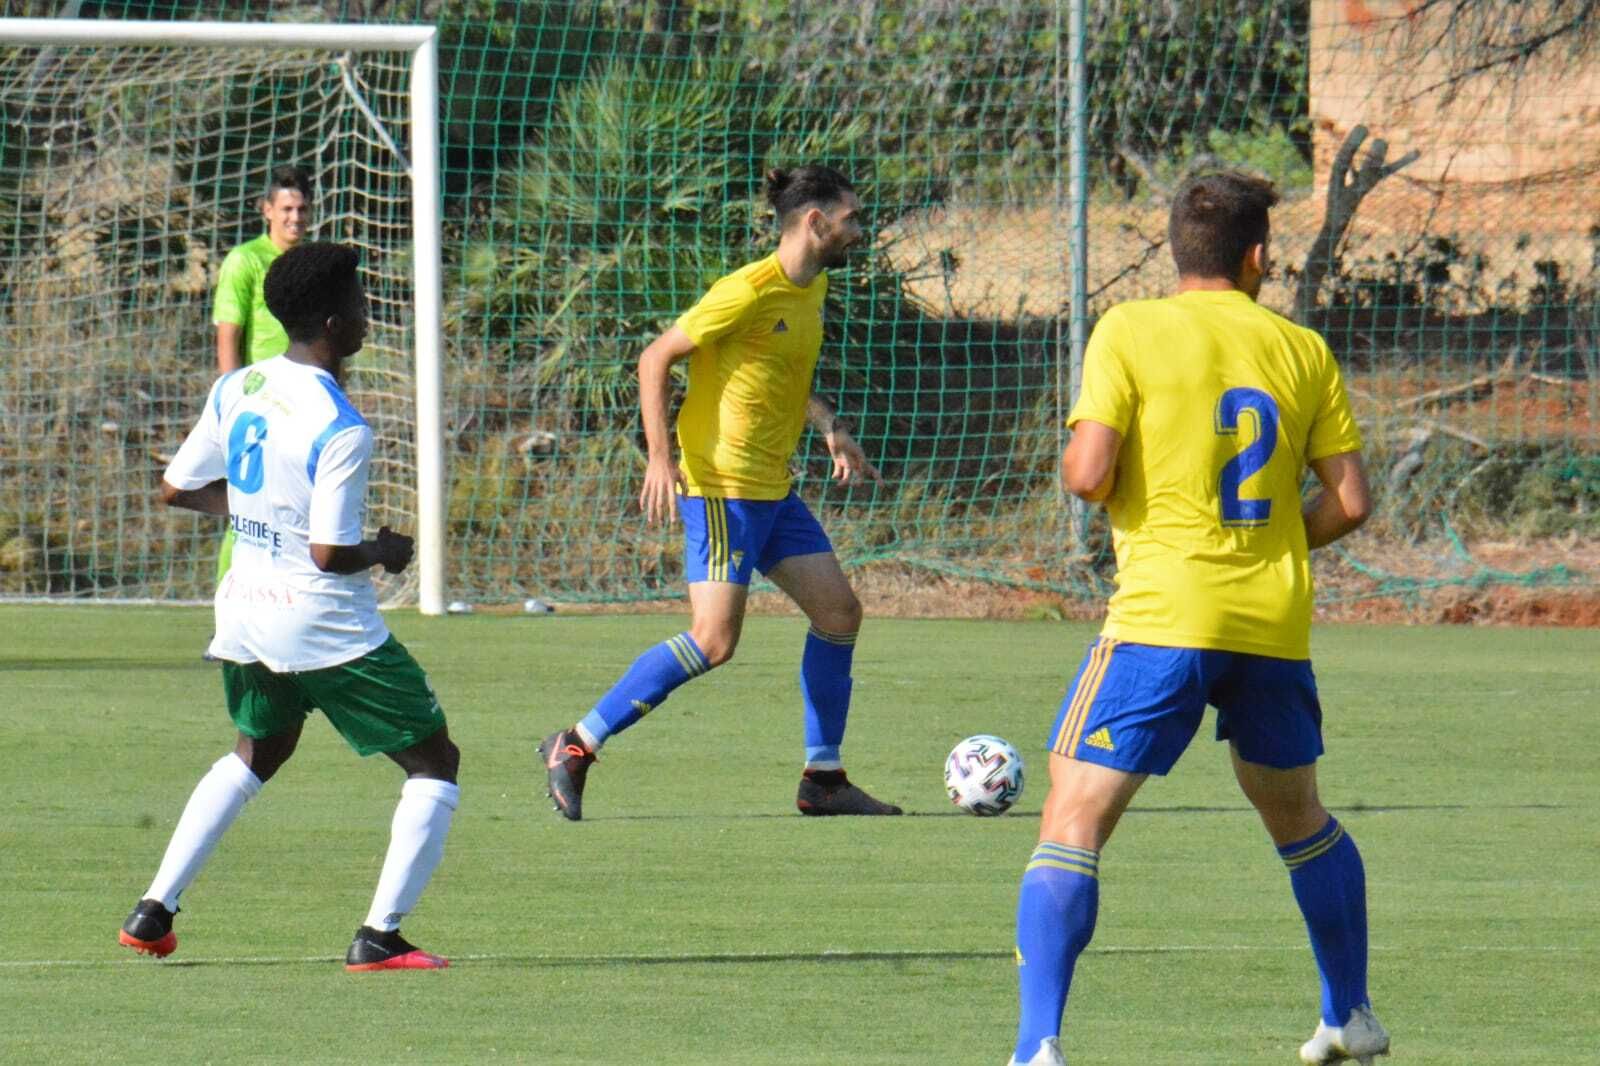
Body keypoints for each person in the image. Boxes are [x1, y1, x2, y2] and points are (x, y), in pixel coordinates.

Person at [1007, 172, 1386, 1065]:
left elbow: (1089, 472)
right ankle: (1350, 1016)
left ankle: (1036, 1046)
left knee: (1073, 816)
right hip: (1272, 622)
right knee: (1299, 818)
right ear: (1258, 257)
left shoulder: (1131, 328)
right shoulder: (1301, 349)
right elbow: (1353, 502)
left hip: (1163, 616)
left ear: (1180, 248)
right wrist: (1277, 541)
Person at [119, 242, 460, 972]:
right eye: (364, 305)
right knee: (434, 761)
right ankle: (379, 936)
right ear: (335, 323)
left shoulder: (236, 387)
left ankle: (153, 910)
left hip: (243, 607)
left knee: (257, 752)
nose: (370, 317)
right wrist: (385, 551)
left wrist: (253, 516)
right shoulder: (341, 424)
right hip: (321, 622)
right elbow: (330, 554)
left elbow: (177, 489)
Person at [537, 164, 901, 821]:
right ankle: (576, 744)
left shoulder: (809, 289)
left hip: (773, 490)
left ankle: (823, 778)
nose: (859, 228)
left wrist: (830, 426)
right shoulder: (746, 291)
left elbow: (779, 374)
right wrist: (659, 457)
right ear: (814, 223)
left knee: (840, 614)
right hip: (721, 488)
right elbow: (656, 357)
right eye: (850, 218)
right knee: (713, 639)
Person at [206, 166, 313, 617]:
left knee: (298, 510)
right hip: (259, 406)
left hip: (305, 404)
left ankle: (290, 609)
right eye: (286, 208)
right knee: (245, 510)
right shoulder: (245, 260)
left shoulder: (311, 263)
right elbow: (228, 332)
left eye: (302, 209)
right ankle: (227, 615)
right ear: (266, 210)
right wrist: (233, 401)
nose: (295, 217)